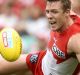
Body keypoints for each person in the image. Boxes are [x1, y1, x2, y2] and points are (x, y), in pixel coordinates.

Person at [0, 0, 80, 75]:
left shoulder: (75, 40)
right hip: (40, 60)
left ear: (67, 12)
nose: (49, 16)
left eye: (54, 12)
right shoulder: (61, 17)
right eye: (47, 11)